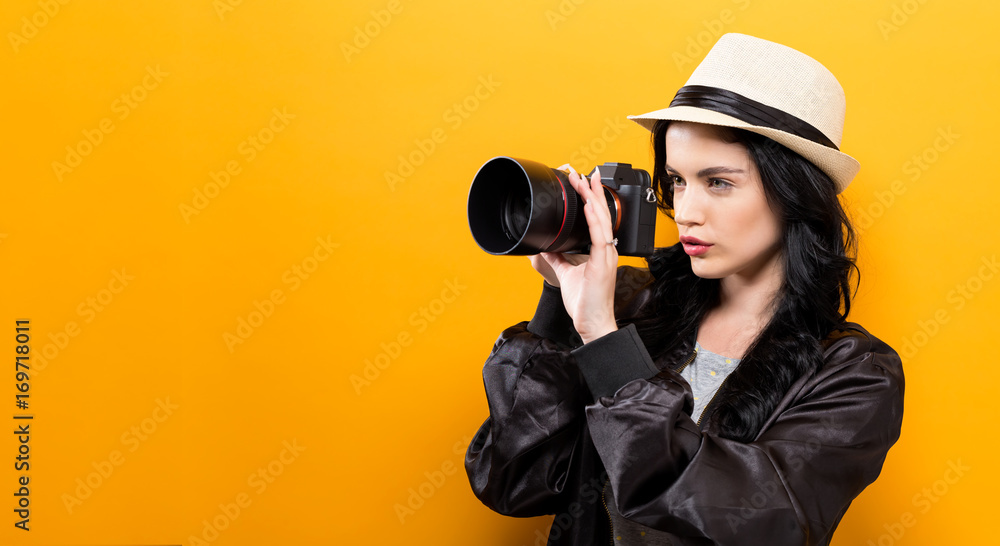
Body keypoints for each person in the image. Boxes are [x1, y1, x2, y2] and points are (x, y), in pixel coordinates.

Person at [464, 33, 904, 545]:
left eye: (719, 182)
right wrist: (560, 305)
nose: (687, 212)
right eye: (677, 181)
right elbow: (514, 482)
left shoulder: (856, 373)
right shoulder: (630, 304)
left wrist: (606, 344)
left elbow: (757, 524)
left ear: (794, 194)